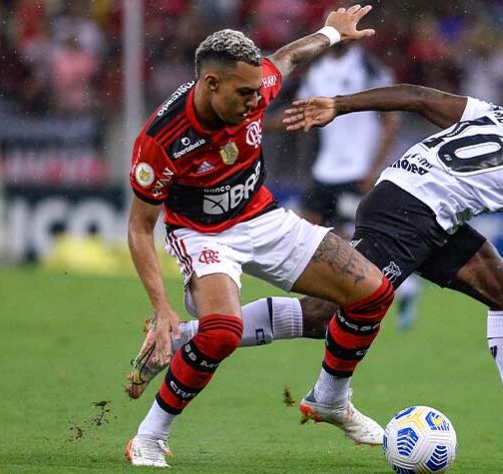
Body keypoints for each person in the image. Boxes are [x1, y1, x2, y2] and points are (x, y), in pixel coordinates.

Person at [134, 82, 503, 465]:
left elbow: (419, 98)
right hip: (413, 212)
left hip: (417, 198)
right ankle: (186, 339)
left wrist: (341, 104)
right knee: (326, 315)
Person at [122, 6, 394, 468]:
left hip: (262, 215)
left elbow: (287, 57)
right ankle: (149, 436)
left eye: (257, 90)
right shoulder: (162, 139)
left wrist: (331, 32)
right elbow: (139, 228)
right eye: (244, 93)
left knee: (373, 293)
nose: (256, 101)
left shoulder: (257, 83)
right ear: (211, 84)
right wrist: (162, 306)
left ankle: (330, 399)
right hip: (202, 234)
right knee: (223, 333)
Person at [296, 41, 422, 329]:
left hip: (356, 169)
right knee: (310, 232)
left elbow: (391, 121)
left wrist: (374, 167)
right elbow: (306, 113)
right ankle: (388, 288)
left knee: (352, 238)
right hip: (324, 169)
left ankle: (400, 288)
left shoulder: (370, 68)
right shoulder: (317, 70)